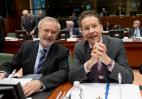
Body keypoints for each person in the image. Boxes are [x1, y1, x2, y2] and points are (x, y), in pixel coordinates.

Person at [0, 17, 69, 97]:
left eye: (53, 32)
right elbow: (11, 64)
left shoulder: (62, 51)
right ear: (39, 31)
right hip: (26, 89)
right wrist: (2, 72)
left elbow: (64, 72)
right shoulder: (26, 47)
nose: (49, 35)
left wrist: (40, 82)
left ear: (57, 35)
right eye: (46, 30)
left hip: (46, 90)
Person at [69, 10, 133, 84]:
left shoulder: (117, 44)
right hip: (91, 90)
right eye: (86, 28)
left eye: (94, 26)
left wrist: (108, 61)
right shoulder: (79, 47)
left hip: (112, 89)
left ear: (101, 28)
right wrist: (90, 63)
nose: (91, 31)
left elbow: (129, 78)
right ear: (82, 32)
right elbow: (72, 77)